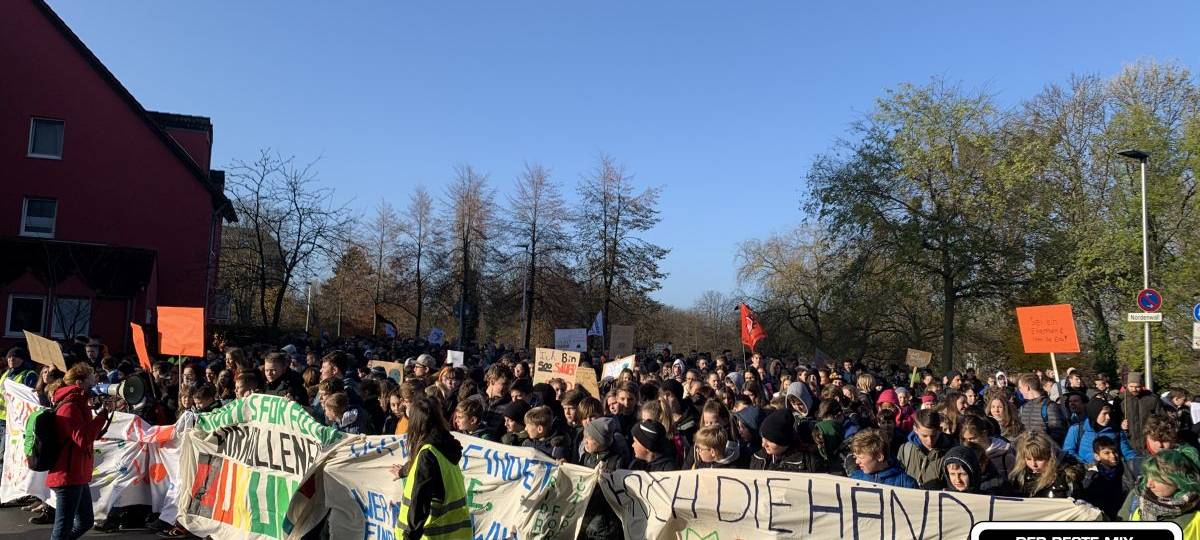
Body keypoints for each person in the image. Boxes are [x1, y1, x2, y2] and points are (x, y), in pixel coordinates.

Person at [391, 396, 470, 540]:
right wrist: (403, 470)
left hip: (434, 536)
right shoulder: (445, 446)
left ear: (416, 422)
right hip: (456, 535)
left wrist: (409, 536)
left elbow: (420, 502)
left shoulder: (428, 454)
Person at [48, 363, 112, 540]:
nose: (95, 382)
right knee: (62, 530)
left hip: (77, 473)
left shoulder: (79, 404)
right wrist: (102, 415)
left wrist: (104, 414)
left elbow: (90, 434)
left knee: (85, 521)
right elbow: (82, 439)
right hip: (67, 474)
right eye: (92, 378)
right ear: (79, 383)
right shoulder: (70, 407)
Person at [1118, 447, 1200, 533]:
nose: (1149, 484)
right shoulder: (1136, 496)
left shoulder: (1194, 518)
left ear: (1179, 480)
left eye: (1157, 479)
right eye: (1148, 476)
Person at [1010, 431, 1082, 498]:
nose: (1034, 464)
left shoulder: (1067, 476)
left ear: (1050, 457)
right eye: (1028, 459)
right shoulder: (1021, 476)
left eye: (1039, 459)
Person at [1063, 398, 1135, 464]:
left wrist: (1138, 463)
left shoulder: (1116, 431)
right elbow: (1068, 452)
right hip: (1085, 473)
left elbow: (1127, 453)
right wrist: (1085, 465)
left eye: (1109, 413)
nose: (1108, 417)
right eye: (1104, 414)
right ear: (1095, 414)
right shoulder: (1077, 429)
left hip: (1112, 474)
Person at [749, 409, 821, 473]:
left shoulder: (809, 464)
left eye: (769, 441)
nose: (763, 445)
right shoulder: (757, 457)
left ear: (783, 441)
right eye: (763, 438)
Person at [897, 409, 954, 485]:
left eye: (933, 436)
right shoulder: (905, 450)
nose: (929, 441)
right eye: (924, 436)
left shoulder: (951, 452)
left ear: (940, 430)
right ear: (915, 430)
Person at [849, 428, 918, 488]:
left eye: (861, 457)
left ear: (879, 457)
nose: (857, 462)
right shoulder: (855, 478)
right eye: (855, 457)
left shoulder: (906, 484)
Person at [1082, 436, 1128, 519]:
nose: (1113, 456)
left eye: (1114, 452)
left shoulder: (1124, 470)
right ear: (1097, 456)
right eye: (1107, 453)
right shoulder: (1092, 477)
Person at [1017, 373, 1067, 444]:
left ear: (1027, 387)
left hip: (1046, 452)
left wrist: (1043, 446)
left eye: (1020, 387)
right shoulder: (1023, 408)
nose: (1020, 391)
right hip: (1027, 452)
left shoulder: (1049, 406)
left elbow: (1058, 432)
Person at [1123, 372, 1163, 455]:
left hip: (1148, 442)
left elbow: (1161, 417)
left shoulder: (1152, 399)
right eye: (1131, 386)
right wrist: (1121, 424)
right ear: (1127, 385)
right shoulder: (1121, 400)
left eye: (1137, 387)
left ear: (1142, 385)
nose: (1134, 389)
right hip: (1129, 444)